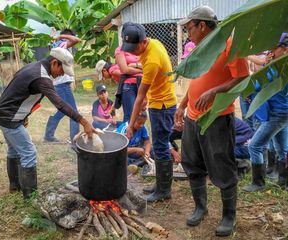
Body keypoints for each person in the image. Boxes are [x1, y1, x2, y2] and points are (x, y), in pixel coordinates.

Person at [175, 6, 249, 236]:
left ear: (203, 26)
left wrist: (214, 92)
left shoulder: (230, 45)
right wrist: (182, 104)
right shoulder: (199, 49)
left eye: (190, 28)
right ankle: (200, 207)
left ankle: (229, 215)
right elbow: (197, 80)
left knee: (222, 165)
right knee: (191, 162)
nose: (188, 33)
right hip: (192, 118)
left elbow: (242, 77)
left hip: (217, 117)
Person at [0, 48, 96, 199]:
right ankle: (31, 197)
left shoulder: (34, 67)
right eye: (62, 70)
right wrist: (83, 121)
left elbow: (18, 92)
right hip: (8, 118)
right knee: (29, 152)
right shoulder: (42, 78)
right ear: (54, 63)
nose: (62, 74)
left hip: (3, 114)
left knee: (14, 150)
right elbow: (60, 103)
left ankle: (15, 186)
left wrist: (23, 116)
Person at [122, 22, 177, 202]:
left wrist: (130, 125)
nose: (132, 51)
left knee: (160, 147)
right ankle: (160, 185)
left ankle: (163, 190)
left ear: (144, 42)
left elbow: (139, 96)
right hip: (159, 101)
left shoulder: (152, 59)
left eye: (134, 47)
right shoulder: (154, 43)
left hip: (162, 106)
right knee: (160, 144)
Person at [243, 32, 288, 192]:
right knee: (282, 148)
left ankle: (258, 183)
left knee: (254, 146)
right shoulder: (277, 65)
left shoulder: (281, 68)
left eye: (274, 49)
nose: (270, 52)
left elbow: (263, 86)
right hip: (280, 112)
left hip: (278, 113)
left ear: (285, 49)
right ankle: (283, 181)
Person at [44, 29, 81, 142]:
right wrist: (62, 36)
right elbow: (77, 40)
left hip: (60, 84)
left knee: (62, 111)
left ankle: (48, 136)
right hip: (62, 85)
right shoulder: (62, 44)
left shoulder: (59, 45)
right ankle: (75, 140)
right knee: (73, 112)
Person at [115, 43, 143, 122]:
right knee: (129, 115)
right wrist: (142, 69)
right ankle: (127, 134)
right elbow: (125, 70)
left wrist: (133, 65)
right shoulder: (120, 50)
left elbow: (148, 64)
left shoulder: (140, 47)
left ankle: (141, 134)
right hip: (129, 86)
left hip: (143, 84)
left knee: (141, 114)